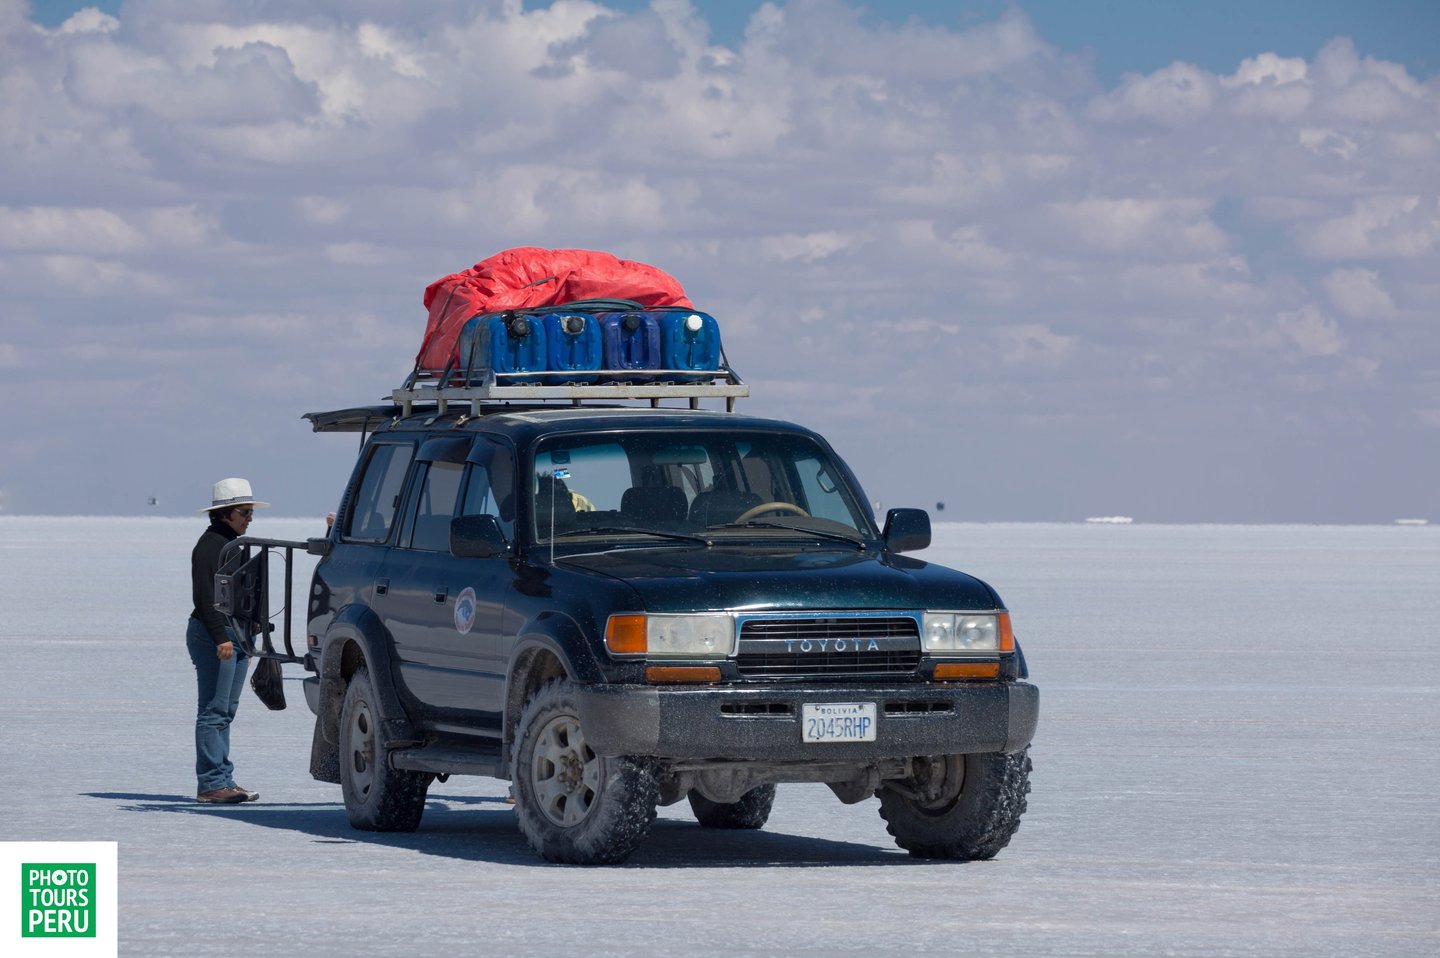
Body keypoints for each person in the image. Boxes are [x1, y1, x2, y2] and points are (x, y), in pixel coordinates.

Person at [188, 477, 268, 804]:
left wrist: (245, 640)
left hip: (234, 635)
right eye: (244, 512)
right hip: (214, 635)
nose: (250, 518)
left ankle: (224, 780)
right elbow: (206, 597)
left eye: (250, 512)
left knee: (226, 710)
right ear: (225, 514)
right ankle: (211, 784)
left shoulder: (233, 545)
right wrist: (221, 637)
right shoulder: (209, 547)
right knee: (213, 710)